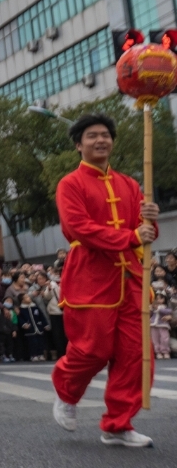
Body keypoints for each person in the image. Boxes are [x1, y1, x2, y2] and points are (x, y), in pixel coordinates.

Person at [51, 113, 158, 447]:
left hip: (131, 278)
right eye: (92, 135)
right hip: (91, 277)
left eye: (105, 135)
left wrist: (151, 222)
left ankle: (117, 425)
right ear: (79, 144)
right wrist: (131, 237)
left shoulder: (130, 184)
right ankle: (66, 392)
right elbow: (77, 229)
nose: (100, 140)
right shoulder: (70, 184)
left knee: (136, 354)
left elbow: (145, 234)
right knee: (92, 350)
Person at [38, 271, 66, 359]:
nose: (40, 281)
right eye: (38, 279)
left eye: (41, 278)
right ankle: (61, 352)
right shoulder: (50, 285)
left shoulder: (52, 284)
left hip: (56, 311)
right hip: (57, 311)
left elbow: (48, 297)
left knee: (58, 334)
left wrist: (48, 289)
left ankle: (61, 353)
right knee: (60, 333)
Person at [18, 294, 49, 362]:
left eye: (28, 297)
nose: (29, 298)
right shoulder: (22, 309)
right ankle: (33, 355)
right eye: (26, 297)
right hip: (30, 329)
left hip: (38, 327)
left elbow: (41, 316)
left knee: (40, 342)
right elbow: (20, 318)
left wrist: (45, 324)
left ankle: (40, 354)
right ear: (22, 300)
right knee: (32, 343)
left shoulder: (35, 307)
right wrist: (24, 324)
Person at [0, 297, 17, 362]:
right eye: (7, 301)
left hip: (9, 331)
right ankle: (1, 355)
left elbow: (14, 322)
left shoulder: (12, 312)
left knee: (10, 344)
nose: (9, 302)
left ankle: (10, 354)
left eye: (10, 302)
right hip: (0, 330)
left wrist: (14, 330)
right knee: (0, 344)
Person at [150, 294, 172, 359]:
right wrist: (151, 309)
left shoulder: (165, 307)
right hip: (154, 325)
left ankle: (165, 351)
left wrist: (158, 308)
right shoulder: (153, 306)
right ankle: (157, 352)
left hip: (163, 325)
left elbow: (169, 311)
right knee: (155, 339)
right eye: (157, 299)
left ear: (164, 299)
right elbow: (150, 315)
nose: (158, 300)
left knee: (164, 339)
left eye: (160, 298)